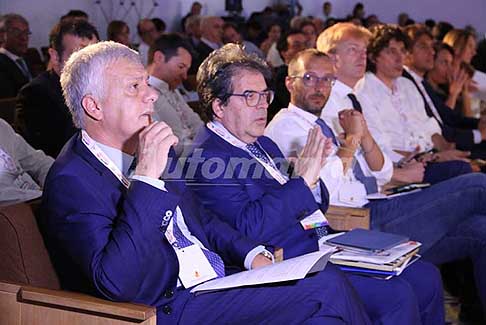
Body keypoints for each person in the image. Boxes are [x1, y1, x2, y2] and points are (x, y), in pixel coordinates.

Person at [40, 40, 372, 325]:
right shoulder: (72, 180)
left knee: (325, 313)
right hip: (167, 307)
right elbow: (116, 282)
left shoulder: (152, 149)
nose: (151, 96)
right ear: (94, 106)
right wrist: (145, 179)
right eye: (134, 87)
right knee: (326, 286)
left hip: (214, 279)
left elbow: (201, 218)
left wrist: (250, 252)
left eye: (146, 84)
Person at [187, 44, 445, 324]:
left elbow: (311, 203)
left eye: (264, 95)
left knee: (426, 275)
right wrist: (303, 181)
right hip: (285, 264)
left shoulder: (262, 142)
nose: (263, 105)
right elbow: (249, 228)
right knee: (396, 295)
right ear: (219, 106)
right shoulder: (207, 158)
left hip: (320, 243)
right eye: (250, 96)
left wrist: (317, 199)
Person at [268, 22, 486, 315]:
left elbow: (379, 172)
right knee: (475, 184)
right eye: (309, 78)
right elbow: (326, 193)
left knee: (481, 229)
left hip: (379, 202)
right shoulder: (288, 127)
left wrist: (363, 140)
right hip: (358, 221)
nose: (319, 87)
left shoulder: (332, 111)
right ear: (289, 83)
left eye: (326, 81)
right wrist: (354, 140)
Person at [354, 24, 472, 184]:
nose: (399, 58)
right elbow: (380, 148)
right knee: (462, 172)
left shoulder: (406, 84)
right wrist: (434, 158)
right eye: (391, 51)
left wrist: (446, 150)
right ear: (374, 57)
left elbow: (429, 126)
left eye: (402, 51)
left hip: (428, 155)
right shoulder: (364, 88)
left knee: (471, 162)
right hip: (403, 166)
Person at [403, 24, 486, 159]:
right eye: (424, 47)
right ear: (407, 52)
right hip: (436, 148)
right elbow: (440, 124)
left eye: (431, 47)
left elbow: (448, 116)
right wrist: (478, 133)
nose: (431, 52)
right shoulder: (407, 82)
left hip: (449, 140)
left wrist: (478, 124)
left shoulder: (421, 83)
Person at [17, 20, 98, 158]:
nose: (90, 63)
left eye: (95, 55)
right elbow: (49, 154)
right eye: (80, 55)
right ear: (55, 57)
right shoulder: (35, 94)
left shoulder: (102, 87)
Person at [147, 33, 203, 157]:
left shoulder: (172, 88)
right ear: (159, 58)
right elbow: (167, 144)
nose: (184, 76)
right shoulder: (143, 94)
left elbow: (196, 123)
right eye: (181, 67)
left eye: (186, 70)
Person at [0, 118, 53, 206]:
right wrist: (46, 197)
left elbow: (39, 162)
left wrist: (58, 183)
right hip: (22, 210)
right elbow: (3, 196)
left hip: (42, 199)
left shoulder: (2, 126)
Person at [0, 13, 32, 99]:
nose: (24, 38)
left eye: (26, 32)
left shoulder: (26, 59)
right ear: (2, 35)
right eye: (16, 32)